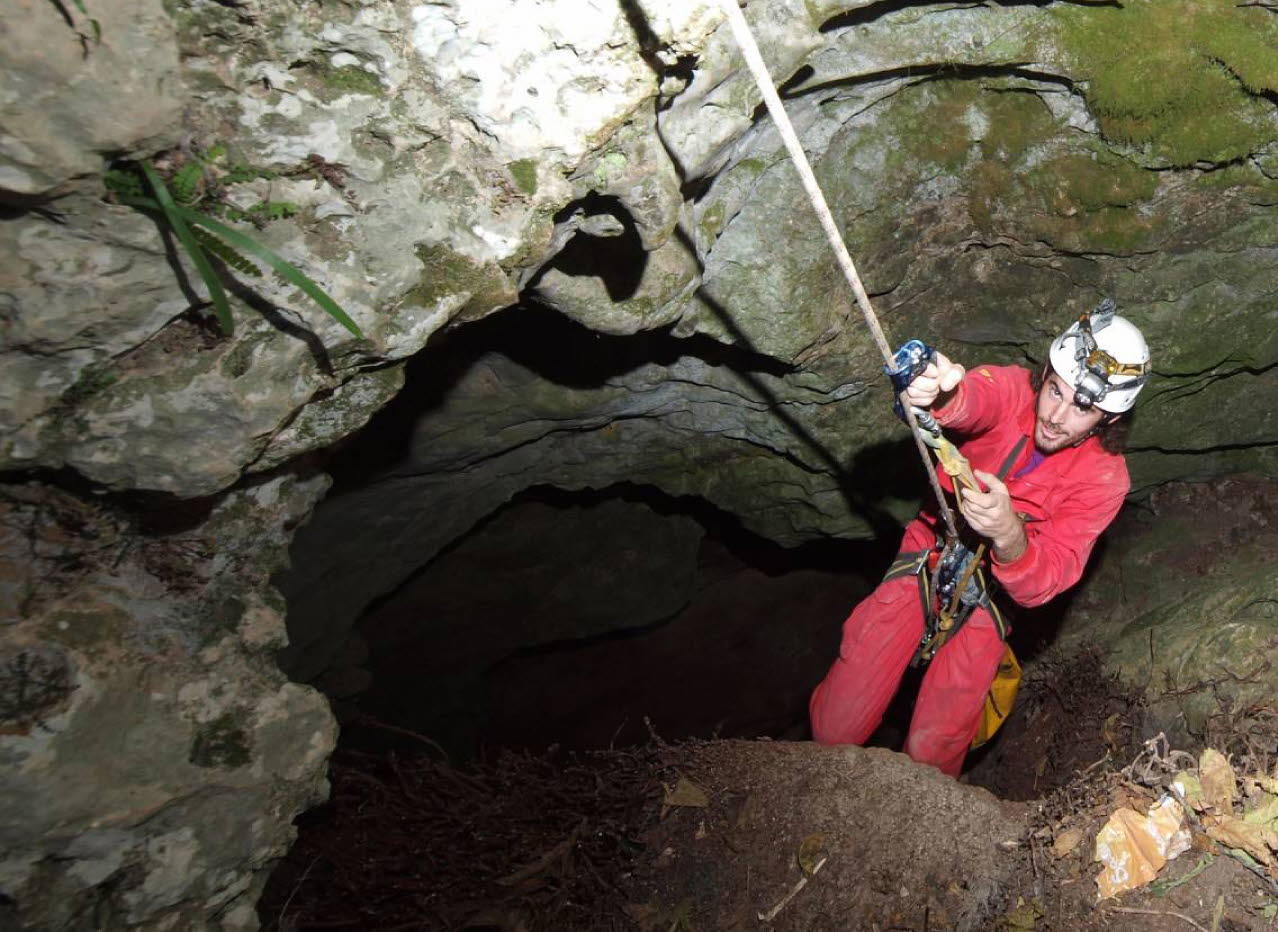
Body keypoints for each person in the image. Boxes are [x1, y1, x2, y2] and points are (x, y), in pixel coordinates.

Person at [809, 303, 1151, 776]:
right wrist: (938, 391)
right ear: (1045, 374)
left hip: (992, 598)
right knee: (834, 727)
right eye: (1055, 390)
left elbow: (1047, 580)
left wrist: (1010, 534)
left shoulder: (1104, 480)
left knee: (934, 750)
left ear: (1109, 420)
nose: (1055, 415)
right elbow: (973, 401)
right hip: (928, 552)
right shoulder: (1014, 390)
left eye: (1083, 407)